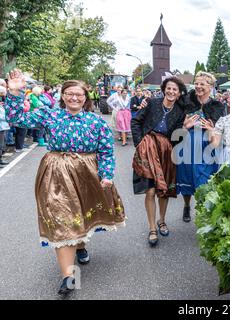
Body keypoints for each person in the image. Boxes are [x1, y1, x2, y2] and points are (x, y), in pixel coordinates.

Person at [5, 69, 126, 295]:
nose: (74, 98)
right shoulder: (49, 115)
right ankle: (68, 277)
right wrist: (14, 92)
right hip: (56, 172)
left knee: (81, 213)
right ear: (63, 96)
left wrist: (107, 174)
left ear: (85, 98)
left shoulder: (96, 121)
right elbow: (16, 118)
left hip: (87, 173)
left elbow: (107, 151)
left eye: (79, 95)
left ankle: (80, 245)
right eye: (70, 93)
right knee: (63, 218)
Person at [131, 77, 187, 246]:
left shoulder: (179, 111)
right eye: (169, 88)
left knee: (164, 190)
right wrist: (139, 143)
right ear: (164, 89)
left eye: (175, 90)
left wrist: (184, 130)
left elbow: (176, 136)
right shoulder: (152, 103)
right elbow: (135, 121)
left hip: (165, 151)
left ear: (178, 94)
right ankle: (152, 227)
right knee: (150, 191)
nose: (171, 92)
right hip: (147, 148)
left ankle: (162, 220)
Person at [176, 72, 226, 222]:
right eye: (196, 83)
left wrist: (212, 129)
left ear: (210, 87)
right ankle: (186, 205)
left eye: (202, 84)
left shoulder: (217, 106)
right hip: (188, 142)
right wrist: (184, 125)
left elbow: (220, 127)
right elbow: (175, 118)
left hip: (208, 144)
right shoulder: (186, 101)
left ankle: (204, 212)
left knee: (205, 178)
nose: (198, 86)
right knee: (187, 176)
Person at [0, 86, 10, 167]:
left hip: (3, 126)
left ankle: (0, 159)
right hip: (1, 126)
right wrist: (8, 117)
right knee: (0, 144)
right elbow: (2, 116)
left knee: (2, 144)